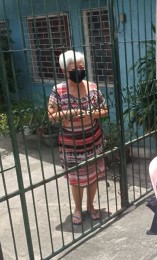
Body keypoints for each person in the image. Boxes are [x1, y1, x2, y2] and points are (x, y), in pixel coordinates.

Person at [48, 50, 108, 225]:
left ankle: (90, 206)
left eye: (82, 67)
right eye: (75, 68)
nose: (79, 71)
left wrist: (92, 114)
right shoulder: (57, 90)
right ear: (65, 71)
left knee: (93, 175)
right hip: (70, 143)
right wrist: (71, 112)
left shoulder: (92, 87)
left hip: (93, 139)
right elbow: (51, 115)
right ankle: (77, 208)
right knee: (76, 178)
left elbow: (104, 110)